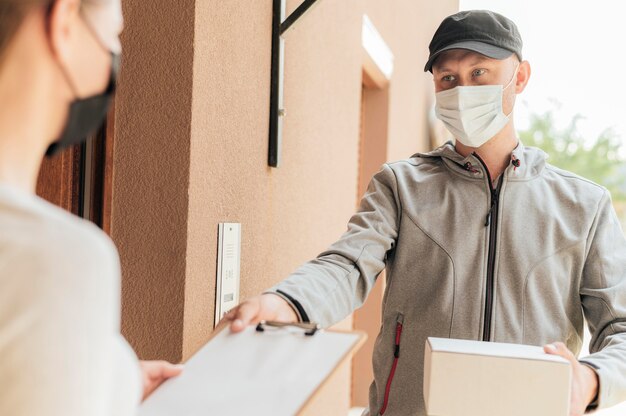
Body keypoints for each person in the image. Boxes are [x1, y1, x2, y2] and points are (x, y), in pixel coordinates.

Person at [227, 10, 626, 416]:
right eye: (447, 78)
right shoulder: (401, 185)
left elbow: (621, 330)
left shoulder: (584, 206)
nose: (462, 89)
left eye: (479, 73)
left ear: (519, 77)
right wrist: (289, 302)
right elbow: (347, 265)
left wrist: (591, 380)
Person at [0, 0, 182, 414]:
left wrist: (116, 382)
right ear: (62, 20)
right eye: (114, 35)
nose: (114, 57)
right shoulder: (56, 259)